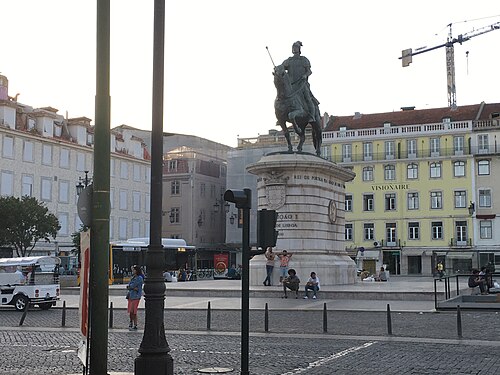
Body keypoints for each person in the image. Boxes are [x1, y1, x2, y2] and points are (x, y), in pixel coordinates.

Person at [281, 41, 319, 123]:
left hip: (302, 84)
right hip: (291, 85)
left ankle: (312, 115)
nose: (294, 49)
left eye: (296, 48)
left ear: (299, 49)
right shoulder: (289, 60)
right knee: (282, 97)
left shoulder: (304, 60)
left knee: (308, 98)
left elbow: (309, 71)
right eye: (293, 48)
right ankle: (281, 116)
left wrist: (305, 75)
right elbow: (282, 68)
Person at [126, 265, 144, 331]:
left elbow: (132, 285)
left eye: (133, 270)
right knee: (130, 311)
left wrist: (131, 287)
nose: (132, 271)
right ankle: (131, 322)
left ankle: (135, 324)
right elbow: (129, 286)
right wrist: (132, 287)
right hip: (131, 295)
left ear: (136, 270)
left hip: (136, 296)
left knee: (134, 311)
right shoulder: (133, 277)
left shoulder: (139, 278)